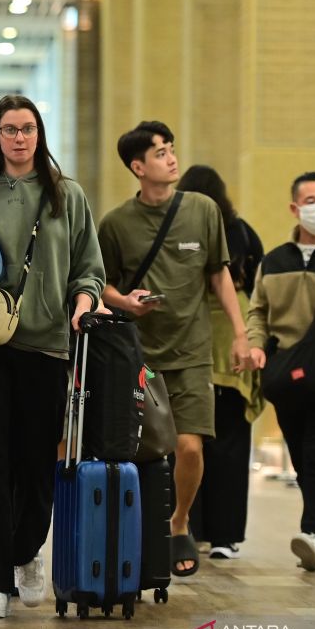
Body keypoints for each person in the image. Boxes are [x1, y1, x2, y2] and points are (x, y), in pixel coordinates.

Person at [0, 95, 104, 619]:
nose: (18, 137)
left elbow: (88, 268)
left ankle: (25, 551)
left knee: (35, 462)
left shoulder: (67, 195)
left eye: (27, 128)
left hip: (47, 343)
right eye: (9, 129)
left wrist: (82, 305)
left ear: (39, 134)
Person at [98, 122, 250, 578]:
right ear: (137, 167)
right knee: (141, 455)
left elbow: (219, 275)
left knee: (188, 447)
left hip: (192, 353)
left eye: (170, 149)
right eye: (159, 153)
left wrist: (241, 334)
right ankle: (137, 532)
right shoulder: (117, 223)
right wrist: (123, 301)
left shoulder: (203, 210)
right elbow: (96, 282)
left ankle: (179, 519)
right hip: (137, 357)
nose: (170, 158)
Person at [179, 165, 265, 560]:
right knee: (230, 443)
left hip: (192, 341)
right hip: (234, 343)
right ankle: (226, 537)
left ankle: (189, 526)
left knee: (187, 442)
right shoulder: (243, 231)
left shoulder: (182, 228)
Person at [247, 172, 315, 572]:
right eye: (311, 200)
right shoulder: (274, 261)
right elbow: (258, 311)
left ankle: (314, 533)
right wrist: (256, 346)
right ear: (295, 208)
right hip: (286, 374)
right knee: (301, 455)